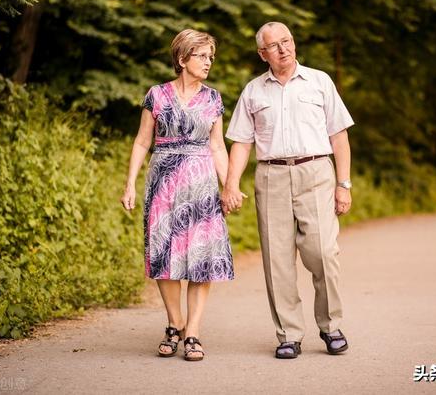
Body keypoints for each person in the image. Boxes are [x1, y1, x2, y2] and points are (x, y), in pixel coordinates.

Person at [221, 21, 354, 359]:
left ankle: (330, 325)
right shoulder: (253, 91)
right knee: (277, 259)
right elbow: (241, 143)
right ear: (262, 54)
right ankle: (289, 335)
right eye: (274, 45)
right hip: (271, 176)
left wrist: (344, 184)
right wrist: (231, 184)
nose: (283, 49)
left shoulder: (319, 82)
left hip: (316, 172)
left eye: (287, 41)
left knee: (323, 252)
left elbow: (339, 136)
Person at [120, 29, 233, 361]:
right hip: (164, 184)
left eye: (211, 57)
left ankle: (193, 332)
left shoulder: (213, 99)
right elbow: (142, 141)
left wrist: (229, 186)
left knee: (200, 258)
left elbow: (217, 147)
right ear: (183, 59)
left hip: (201, 186)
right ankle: (175, 323)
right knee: (163, 253)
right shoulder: (156, 95)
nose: (209, 62)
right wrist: (129, 183)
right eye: (202, 56)